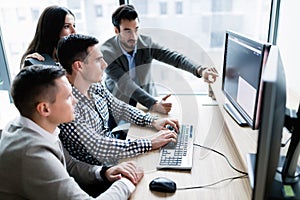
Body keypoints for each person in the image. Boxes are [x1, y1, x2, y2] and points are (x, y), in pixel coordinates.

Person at [0, 65, 144, 199]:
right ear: (44, 109)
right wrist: (126, 182)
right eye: (68, 96)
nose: (75, 101)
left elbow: (71, 165)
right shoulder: (32, 155)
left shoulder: (33, 124)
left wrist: (104, 172)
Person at [57, 34, 179, 166]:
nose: (105, 65)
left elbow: (119, 107)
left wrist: (152, 121)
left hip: (117, 156)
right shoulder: (66, 104)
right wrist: (150, 143)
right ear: (79, 66)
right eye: (98, 60)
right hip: (101, 170)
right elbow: (98, 146)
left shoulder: (93, 85)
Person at [101, 4, 219, 115]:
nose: (134, 36)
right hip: (120, 101)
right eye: (127, 31)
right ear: (116, 31)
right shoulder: (106, 52)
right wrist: (154, 104)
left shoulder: (146, 43)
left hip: (146, 98)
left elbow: (175, 58)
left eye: (136, 29)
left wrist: (200, 70)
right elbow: (125, 84)